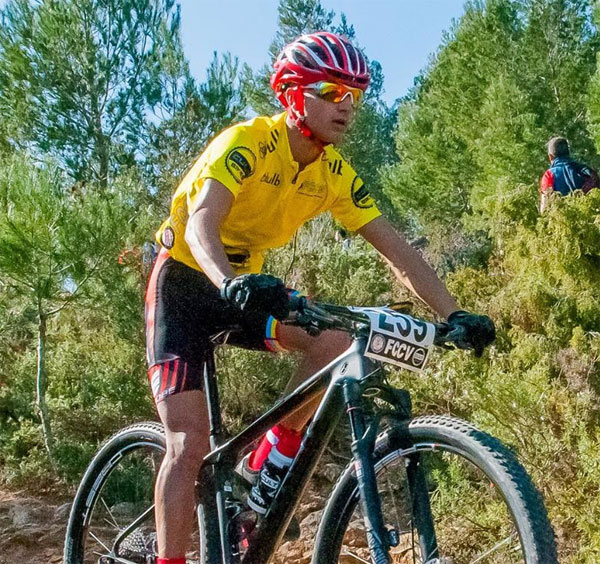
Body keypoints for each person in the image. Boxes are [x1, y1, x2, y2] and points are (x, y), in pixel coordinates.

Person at [145, 31, 495, 564]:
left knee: (332, 342)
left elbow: (397, 251)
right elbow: (201, 225)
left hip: (243, 286)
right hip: (186, 283)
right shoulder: (247, 143)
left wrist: (454, 312)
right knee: (187, 443)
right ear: (292, 93)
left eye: (354, 95)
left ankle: (260, 471)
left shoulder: (332, 174)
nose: (346, 105)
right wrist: (229, 280)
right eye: (331, 91)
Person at [539, 136, 599, 213]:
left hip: (562, 218)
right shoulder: (586, 170)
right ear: (568, 153)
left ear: (550, 157)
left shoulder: (549, 175)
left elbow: (544, 208)